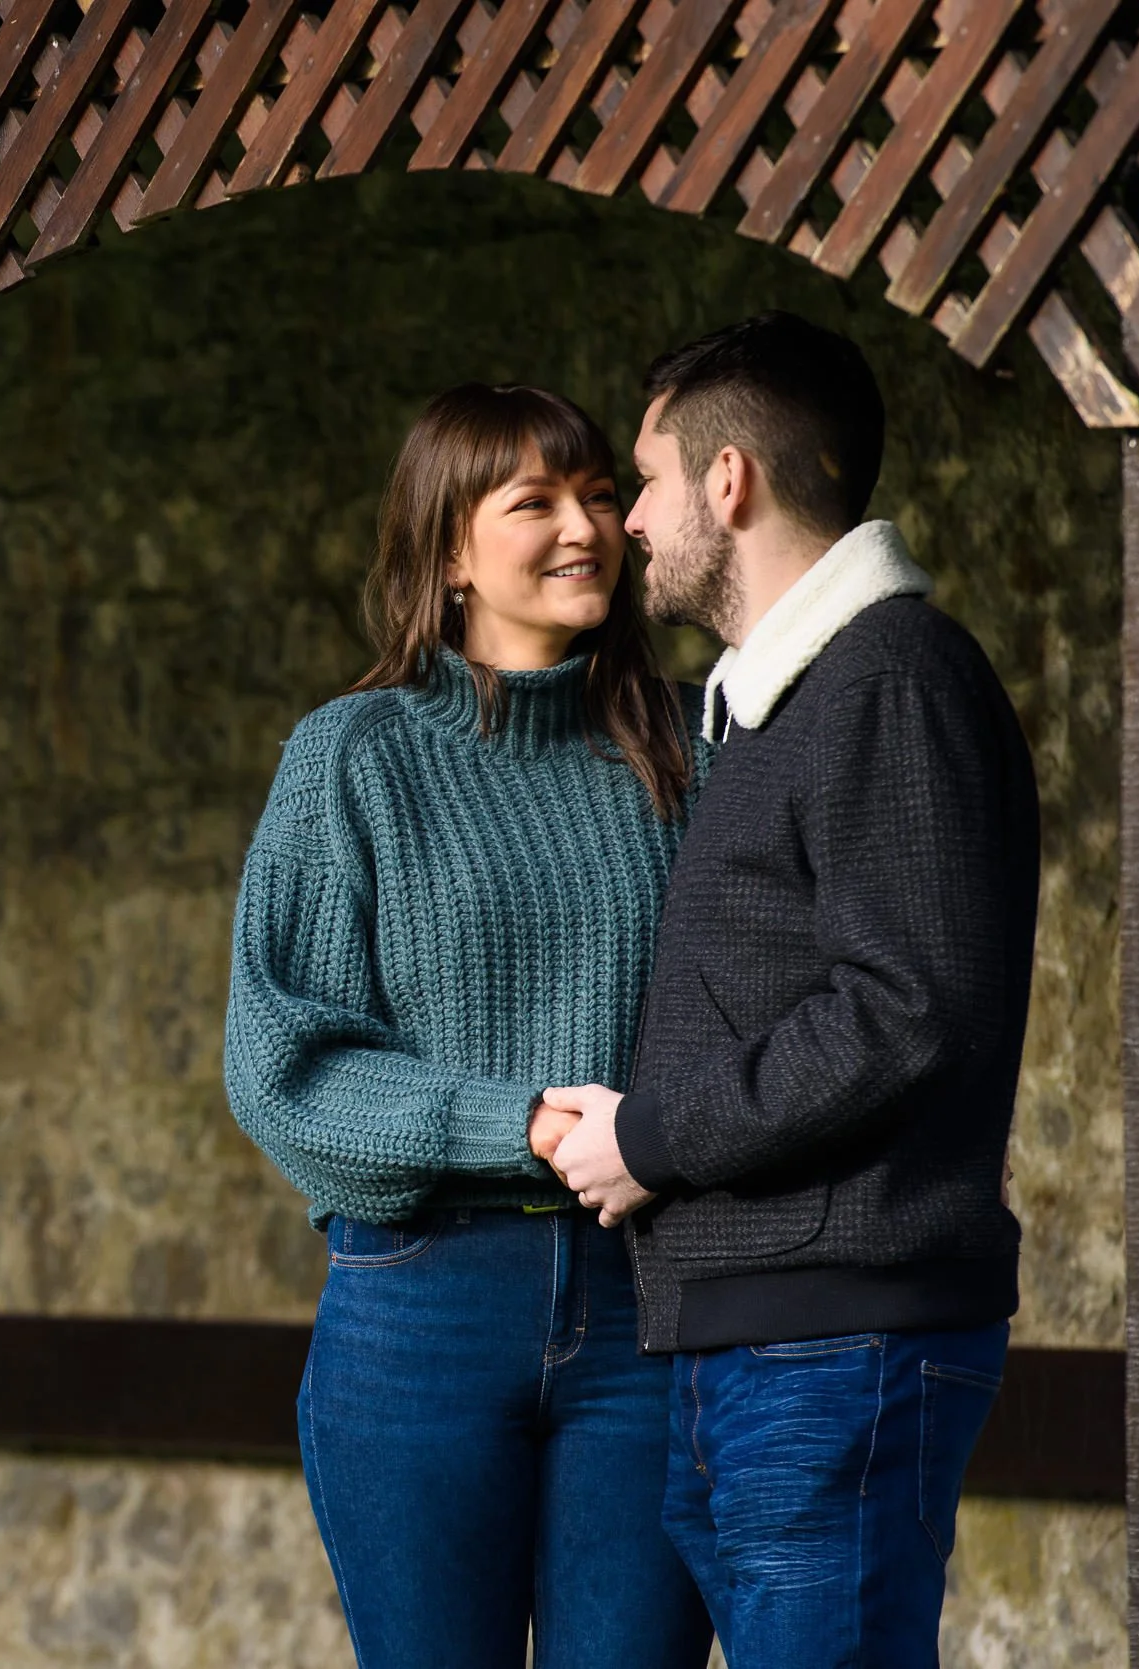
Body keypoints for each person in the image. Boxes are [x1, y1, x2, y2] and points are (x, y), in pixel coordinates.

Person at [542, 312, 1040, 1668]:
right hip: (768, 1346)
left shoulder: (890, 680)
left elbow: (905, 1008)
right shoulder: (781, 698)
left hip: (835, 1347)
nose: (629, 519)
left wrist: (649, 1136)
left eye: (645, 480)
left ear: (726, 483)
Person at [223, 384, 713, 1669]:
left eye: (601, 494)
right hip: (421, 1306)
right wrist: (519, 1120)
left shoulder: (692, 746)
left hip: (649, 1304)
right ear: (448, 550)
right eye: (533, 501)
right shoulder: (352, 757)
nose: (582, 527)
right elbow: (283, 1066)